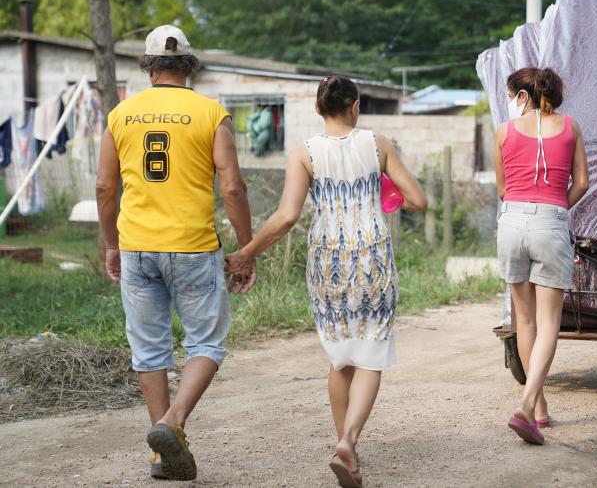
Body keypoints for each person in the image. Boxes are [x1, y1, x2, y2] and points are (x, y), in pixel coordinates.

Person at [225, 76, 427, 487]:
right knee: (371, 352)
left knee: (341, 356)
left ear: (319, 109)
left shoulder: (305, 152)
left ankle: (344, 448)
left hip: (328, 259)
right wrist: (385, 191)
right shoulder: (377, 144)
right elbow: (420, 200)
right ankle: (349, 442)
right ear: (355, 106)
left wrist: (247, 252)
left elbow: (286, 217)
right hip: (371, 256)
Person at [96, 25, 256, 481]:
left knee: (150, 350)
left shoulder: (121, 114)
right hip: (192, 247)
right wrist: (245, 248)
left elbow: (105, 187)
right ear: (189, 65)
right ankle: (172, 423)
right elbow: (232, 186)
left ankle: (162, 451)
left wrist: (112, 244)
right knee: (205, 341)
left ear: (148, 67)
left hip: (138, 247)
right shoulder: (210, 113)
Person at [495, 67, 589, 445]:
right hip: (551, 222)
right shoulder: (571, 127)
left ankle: (540, 409)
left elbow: (503, 188)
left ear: (521, 95)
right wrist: (555, 209)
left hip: (511, 222)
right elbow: (582, 181)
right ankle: (525, 405)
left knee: (526, 320)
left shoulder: (503, 131)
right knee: (550, 323)